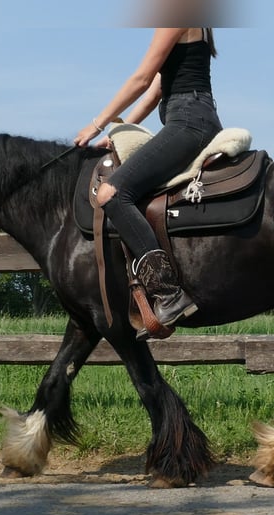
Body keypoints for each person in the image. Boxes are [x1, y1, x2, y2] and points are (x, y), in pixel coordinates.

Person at [74, 27, 222, 336]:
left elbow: (141, 80)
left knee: (112, 194)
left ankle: (168, 294)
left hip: (188, 122)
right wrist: (119, 131)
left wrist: (96, 124)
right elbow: (156, 90)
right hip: (190, 117)